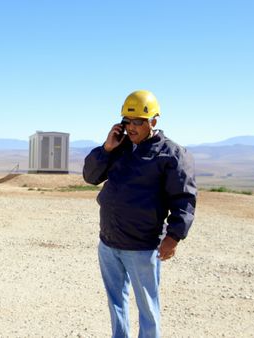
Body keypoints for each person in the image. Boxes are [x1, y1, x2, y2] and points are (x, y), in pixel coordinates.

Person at [83, 90, 197, 338]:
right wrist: (106, 148)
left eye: (138, 122)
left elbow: (184, 199)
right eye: (127, 121)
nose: (131, 127)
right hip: (109, 243)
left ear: (153, 121)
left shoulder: (172, 154)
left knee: (147, 308)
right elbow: (91, 177)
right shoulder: (119, 149)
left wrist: (174, 237)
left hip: (142, 247)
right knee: (116, 303)